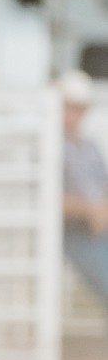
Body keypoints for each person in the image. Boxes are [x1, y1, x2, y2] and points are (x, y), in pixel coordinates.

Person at [61, 68, 108, 314]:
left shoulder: (89, 146)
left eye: (79, 108)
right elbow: (50, 200)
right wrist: (91, 210)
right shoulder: (51, 146)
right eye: (69, 107)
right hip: (76, 234)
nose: (74, 115)